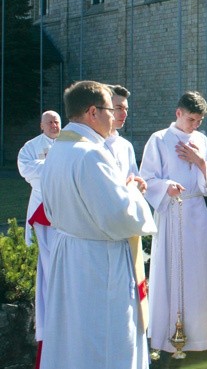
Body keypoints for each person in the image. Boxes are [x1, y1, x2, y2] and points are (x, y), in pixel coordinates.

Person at [40, 80, 155, 369]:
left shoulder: (60, 149)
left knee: (73, 335)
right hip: (99, 261)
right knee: (105, 338)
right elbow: (120, 217)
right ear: (93, 112)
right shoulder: (92, 154)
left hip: (69, 253)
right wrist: (133, 191)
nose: (114, 117)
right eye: (109, 110)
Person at [140, 91, 207, 357]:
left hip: (196, 212)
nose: (195, 125)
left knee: (200, 272)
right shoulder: (159, 139)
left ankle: (203, 337)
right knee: (171, 271)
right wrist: (166, 186)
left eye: (199, 120)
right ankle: (168, 337)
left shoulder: (200, 140)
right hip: (171, 211)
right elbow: (146, 179)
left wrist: (198, 160)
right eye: (191, 119)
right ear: (178, 113)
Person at [104, 85, 150, 345]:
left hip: (127, 226)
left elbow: (134, 179)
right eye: (118, 108)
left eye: (126, 109)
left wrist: (139, 187)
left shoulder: (125, 146)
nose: (123, 114)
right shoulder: (92, 146)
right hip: (103, 230)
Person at [16, 110, 61, 352]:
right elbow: (27, 171)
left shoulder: (69, 141)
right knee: (40, 257)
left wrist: (47, 168)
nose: (54, 125)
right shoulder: (30, 146)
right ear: (41, 125)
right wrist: (54, 166)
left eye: (57, 121)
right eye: (50, 122)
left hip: (65, 206)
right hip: (40, 205)